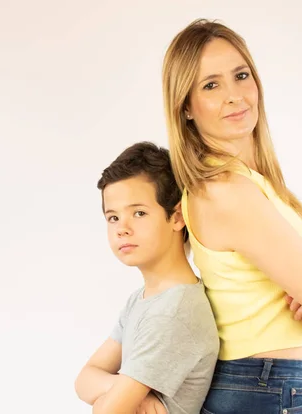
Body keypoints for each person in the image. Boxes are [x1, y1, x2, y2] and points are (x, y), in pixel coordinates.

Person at [161, 19, 302, 414]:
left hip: (269, 384)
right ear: (185, 106)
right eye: (211, 85)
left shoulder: (252, 181)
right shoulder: (226, 191)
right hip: (260, 386)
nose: (235, 96)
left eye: (241, 75)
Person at [74, 142, 220, 414]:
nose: (122, 229)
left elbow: (106, 411)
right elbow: (84, 379)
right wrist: (118, 390)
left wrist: (106, 397)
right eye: (113, 217)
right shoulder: (141, 300)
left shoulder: (173, 312)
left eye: (139, 213)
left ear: (176, 217)